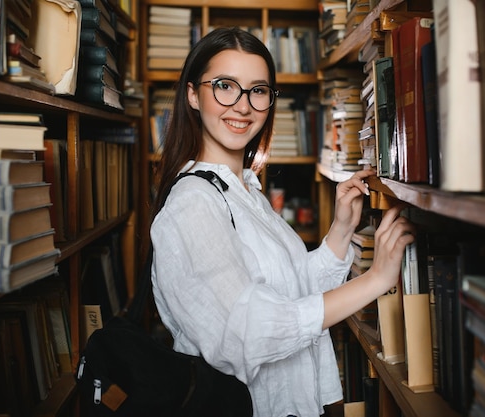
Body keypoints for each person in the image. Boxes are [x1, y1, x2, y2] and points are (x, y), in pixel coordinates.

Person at [150, 27, 415, 417]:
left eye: (258, 90)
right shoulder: (193, 202)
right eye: (225, 85)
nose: (243, 105)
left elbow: (290, 294)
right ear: (193, 94)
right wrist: (376, 278)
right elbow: (249, 331)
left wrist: (341, 231)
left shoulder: (243, 190)